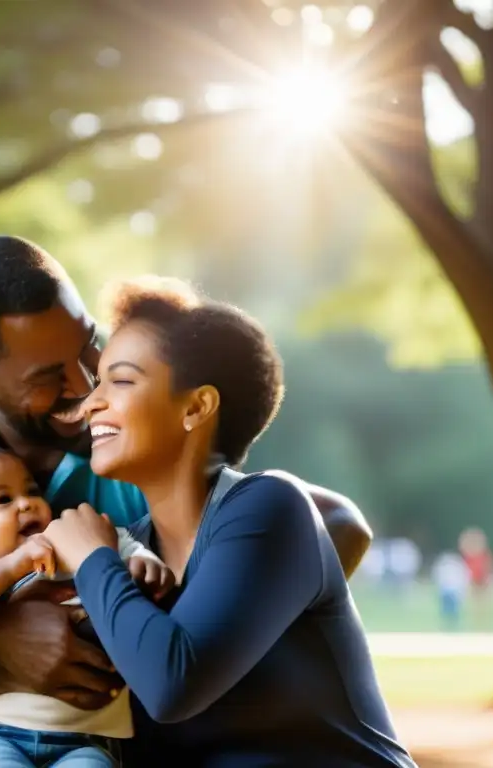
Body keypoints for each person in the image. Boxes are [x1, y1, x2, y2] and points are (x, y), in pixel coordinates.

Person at [0, 236, 374, 767]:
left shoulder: (154, 449)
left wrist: (196, 617)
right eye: (48, 374)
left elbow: (317, 521)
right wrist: (1, 644)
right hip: (5, 720)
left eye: (90, 347)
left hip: (132, 726)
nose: (84, 387)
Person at [41, 278, 415, 766]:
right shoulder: (130, 550)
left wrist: (92, 558)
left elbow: (173, 683)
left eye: (123, 381)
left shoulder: (269, 508)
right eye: (98, 383)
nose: (91, 403)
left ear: (196, 407)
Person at [0, 444, 174, 767]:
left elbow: (127, 547)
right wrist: (12, 566)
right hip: (1, 737)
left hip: (88, 741)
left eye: (32, 491)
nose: (26, 503)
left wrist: (144, 565)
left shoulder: (74, 540)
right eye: (3, 500)